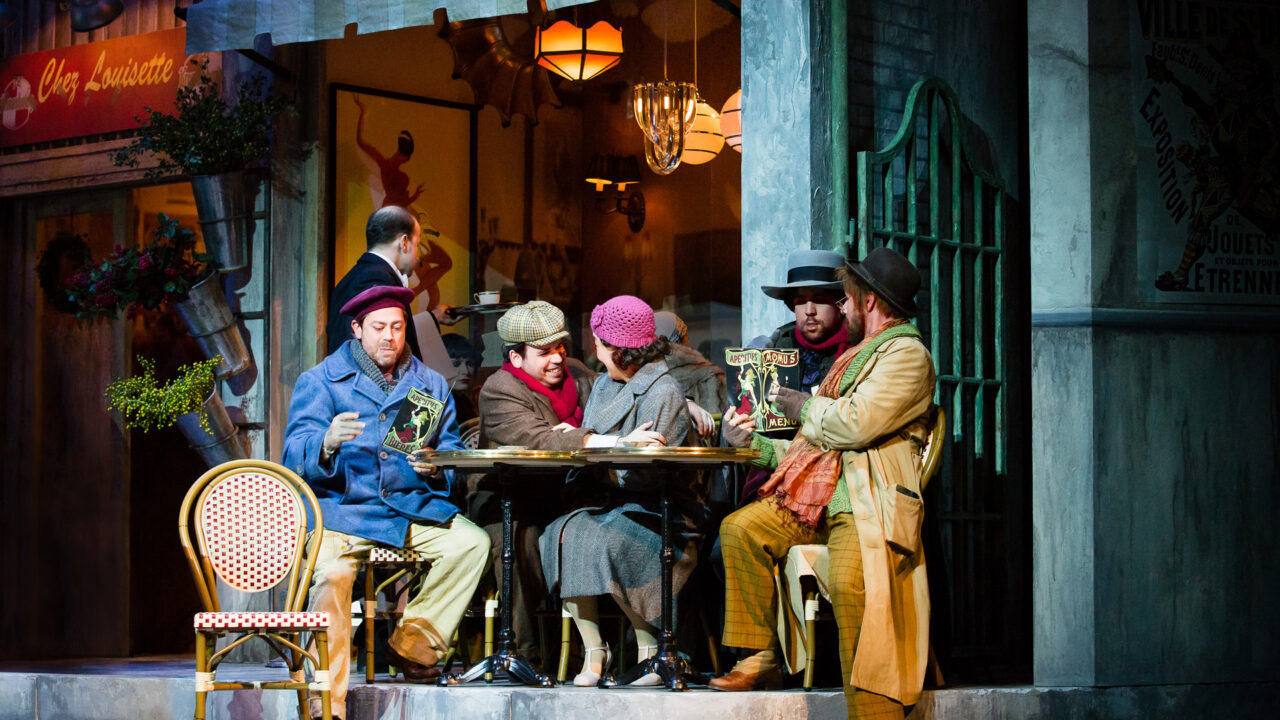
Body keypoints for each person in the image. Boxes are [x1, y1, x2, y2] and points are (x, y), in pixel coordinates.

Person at [715, 247, 936, 720]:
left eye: (847, 299)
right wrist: (750, 441)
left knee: (851, 582)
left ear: (869, 302)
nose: (842, 307)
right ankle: (759, 657)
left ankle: (873, 711)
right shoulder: (855, 355)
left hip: (864, 501)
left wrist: (801, 405)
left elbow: (854, 424)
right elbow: (807, 449)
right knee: (740, 529)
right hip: (816, 496)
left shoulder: (907, 355)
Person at [283, 285, 490, 720]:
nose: (389, 337)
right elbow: (292, 455)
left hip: (406, 507)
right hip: (342, 511)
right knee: (333, 574)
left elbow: (450, 448)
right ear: (358, 329)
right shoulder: (320, 380)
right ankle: (327, 702)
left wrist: (436, 466)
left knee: (471, 544)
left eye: (397, 327)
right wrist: (325, 442)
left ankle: (413, 648)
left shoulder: (430, 383)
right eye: (379, 327)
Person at [538, 296, 697, 687]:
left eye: (600, 341)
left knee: (610, 540)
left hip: (658, 510)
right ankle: (594, 649)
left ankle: (650, 651)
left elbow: (653, 475)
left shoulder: (662, 392)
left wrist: (605, 448)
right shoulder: (605, 386)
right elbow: (596, 441)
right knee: (560, 533)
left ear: (619, 347)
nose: (595, 348)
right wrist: (593, 442)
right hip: (609, 499)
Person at [325, 205, 424, 360]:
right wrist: (415, 384)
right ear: (404, 242)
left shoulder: (355, 276)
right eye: (417, 244)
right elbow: (377, 355)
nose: (418, 255)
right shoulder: (378, 279)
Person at [761, 250, 852, 391]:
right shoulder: (778, 345)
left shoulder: (859, 348)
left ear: (841, 303)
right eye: (801, 301)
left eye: (820, 301)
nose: (809, 310)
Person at [655, 310, 728, 416]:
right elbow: (717, 423)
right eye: (686, 335)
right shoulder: (711, 374)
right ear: (683, 338)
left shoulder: (646, 376)